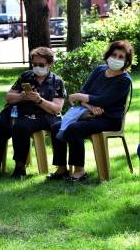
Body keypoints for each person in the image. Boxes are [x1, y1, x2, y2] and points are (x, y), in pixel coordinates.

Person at [48, 40, 133, 182]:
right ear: (108, 55)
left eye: (121, 57)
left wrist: (82, 97)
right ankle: (62, 168)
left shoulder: (124, 80)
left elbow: (105, 100)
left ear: (126, 61)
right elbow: (84, 93)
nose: (116, 59)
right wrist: (91, 106)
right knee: (57, 126)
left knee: (74, 128)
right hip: (88, 113)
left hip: (109, 119)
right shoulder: (99, 70)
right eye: (114, 55)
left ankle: (80, 171)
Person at [0, 47, 66, 179]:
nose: (37, 67)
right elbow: (9, 97)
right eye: (34, 64)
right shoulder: (26, 76)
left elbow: (56, 109)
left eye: (41, 65)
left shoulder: (57, 82)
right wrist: (21, 96)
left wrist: (39, 100)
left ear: (50, 64)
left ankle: (20, 168)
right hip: (18, 109)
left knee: (21, 127)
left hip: (42, 114)